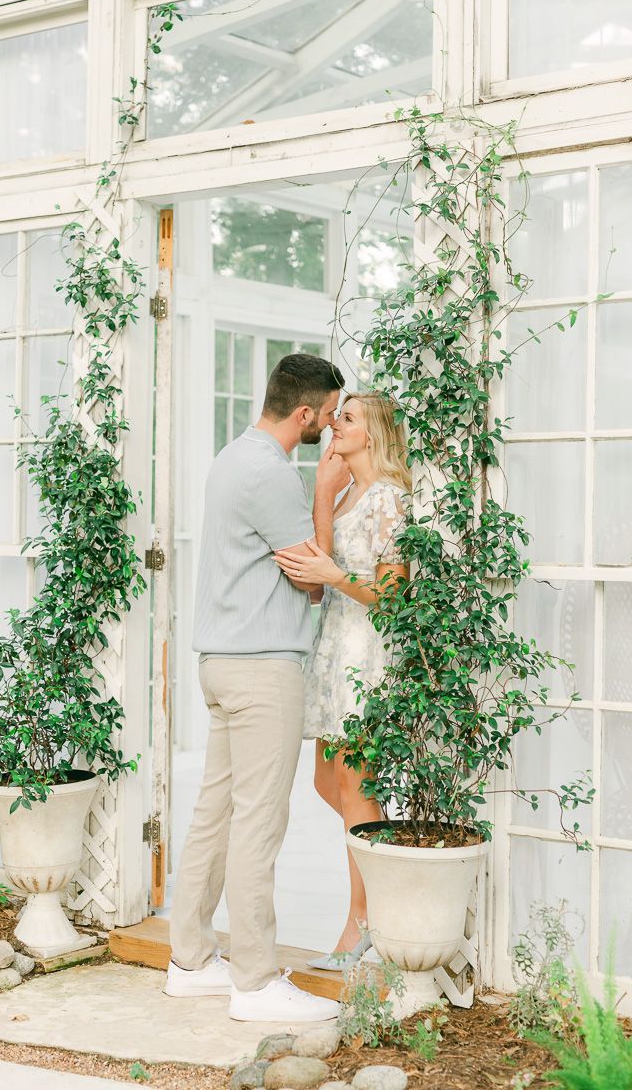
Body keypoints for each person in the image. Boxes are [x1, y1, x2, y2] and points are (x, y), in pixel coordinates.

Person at [165, 353, 345, 1023]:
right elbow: (312, 578)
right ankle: (256, 981)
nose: (328, 430)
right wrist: (324, 491)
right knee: (258, 824)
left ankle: (189, 961)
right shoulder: (272, 474)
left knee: (216, 813)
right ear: (304, 413)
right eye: (326, 417)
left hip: (222, 661)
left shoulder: (232, 455)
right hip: (263, 668)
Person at [272, 393, 410, 971]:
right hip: (334, 646)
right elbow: (322, 559)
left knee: (356, 790)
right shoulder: (351, 491)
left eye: (347, 418)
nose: (334, 423)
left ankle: (362, 926)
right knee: (331, 786)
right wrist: (324, 495)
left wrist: (334, 575)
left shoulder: (389, 500)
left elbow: (393, 596)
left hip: (366, 652)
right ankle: (389, 873)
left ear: (373, 435)